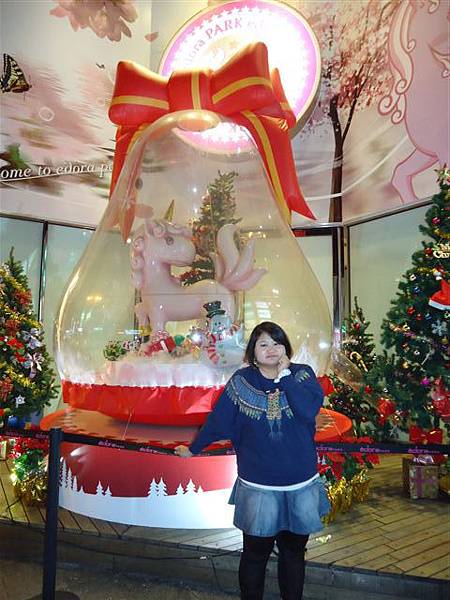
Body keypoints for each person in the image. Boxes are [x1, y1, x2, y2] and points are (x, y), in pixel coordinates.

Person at [175, 321, 330, 600]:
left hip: (300, 483)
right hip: (259, 485)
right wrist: (194, 448)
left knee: (294, 552)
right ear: (252, 351)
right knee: (255, 554)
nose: (271, 349)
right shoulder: (241, 381)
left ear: (286, 348)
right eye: (263, 344)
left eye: (277, 343)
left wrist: (285, 376)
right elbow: (219, 421)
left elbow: (308, 411)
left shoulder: (302, 375)